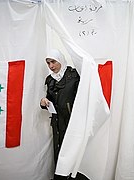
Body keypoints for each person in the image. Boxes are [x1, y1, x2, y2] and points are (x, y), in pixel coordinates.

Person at [40, 49, 89, 180]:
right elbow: (50, 98)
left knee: (74, 152)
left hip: (73, 121)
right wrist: (44, 101)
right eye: (48, 63)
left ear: (60, 60)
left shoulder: (74, 75)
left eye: (53, 62)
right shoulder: (50, 80)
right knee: (59, 151)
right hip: (57, 122)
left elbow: (83, 97)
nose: (51, 66)